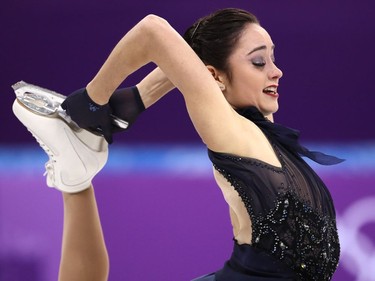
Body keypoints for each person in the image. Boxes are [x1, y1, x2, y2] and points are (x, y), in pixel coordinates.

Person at [13, 8, 343, 281]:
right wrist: (91, 101)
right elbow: (152, 31)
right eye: (259, 62)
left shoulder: (265, 131)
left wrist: (137, 99)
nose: (277, 71)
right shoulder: (235, 133)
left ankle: (76, 175)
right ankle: (76, 172)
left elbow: (191, 59)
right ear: (217, 78)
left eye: (272, 59)